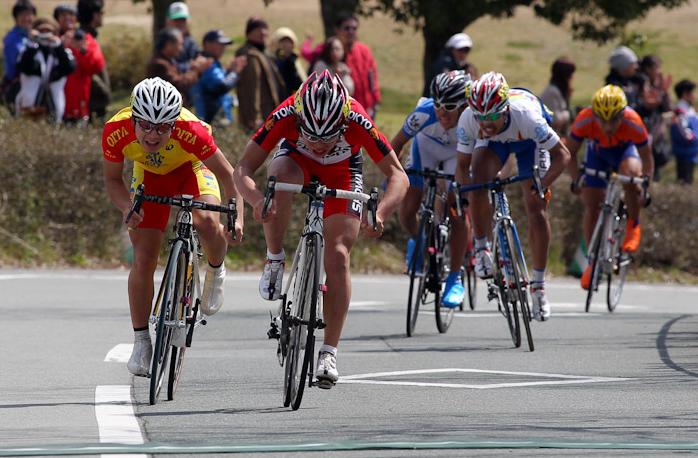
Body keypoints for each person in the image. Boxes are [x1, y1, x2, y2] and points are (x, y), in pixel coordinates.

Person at [233, 70, 408, 387]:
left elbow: (398, 175)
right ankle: (275, 258)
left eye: (328, 137)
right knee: (278, 186)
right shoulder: (286, 113)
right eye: (311, 136)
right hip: (295, 162)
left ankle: (328, 352)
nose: (319, 145)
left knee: (339, 256)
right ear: (299, 121)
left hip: (344, 172)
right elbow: (243, 168)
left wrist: (381, 212)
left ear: (343, 123)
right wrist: (257, 200)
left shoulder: (357, 119)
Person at [102, 77, 244, 376]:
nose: (154, 135)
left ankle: (216, 272)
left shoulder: (192, 131)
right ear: (134, 120)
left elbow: (230, 176)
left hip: (190, 170)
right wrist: (127, 207)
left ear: (175, 123)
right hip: (149, 176)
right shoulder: (116, 130)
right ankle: (142, 341)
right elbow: (113, 181)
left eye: (164, 127)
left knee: (206, 221)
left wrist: (237, 218)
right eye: (147, 126)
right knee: (143, 260)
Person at [456, 71, 570, 321]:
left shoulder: (528, 117)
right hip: (496, 144)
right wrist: (463, 196)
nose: (486, 123)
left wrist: (544, 185)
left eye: (493, 116)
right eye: (480, 117)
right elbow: (462, 166)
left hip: (529, 142)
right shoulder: (469, 119)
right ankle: (481, 248)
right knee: (478, 184)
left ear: (505, 109)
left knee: (537, 211)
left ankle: (538, 287)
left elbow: (563, 155)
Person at [391, 70, 472, 308]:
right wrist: (393, 177)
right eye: (437, 104)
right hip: (426, 147)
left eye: (449, 105)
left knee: (456, 209)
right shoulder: (423, 114)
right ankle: (420, 241)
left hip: (457, 154)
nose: (441, 111)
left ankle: (455, 280)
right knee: (406, 210)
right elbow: (395, 145)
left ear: (464, 104)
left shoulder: (472, 117)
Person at [565, 85, 653, 290]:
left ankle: (633, 223)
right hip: (598, 155)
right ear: (594, 115)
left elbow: (647, 159)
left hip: (625, 152)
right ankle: (592, 260)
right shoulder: (584, 119)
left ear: (622, 115)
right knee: (591, 206)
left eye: (613, 119)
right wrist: (576, 179)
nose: (607, 126)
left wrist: (645, 187)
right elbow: (569, 152)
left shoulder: (634, 122)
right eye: (602, 119)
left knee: (630, 176)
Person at [14, 16, 76, 122]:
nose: (45, 35)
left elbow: (69, 67)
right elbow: (23, 67)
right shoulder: (28, 51)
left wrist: (58, 47)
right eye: (41, 31)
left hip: (54, 107)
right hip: (29, 105)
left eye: (48, 32)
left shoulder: (61, 53)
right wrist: (32, 44)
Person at [235, 15, 286, 131]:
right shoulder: (249, 54)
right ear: (248, 33)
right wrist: (253, 116)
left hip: (269, 114)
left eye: (265, 28)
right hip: (260, 117)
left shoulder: (261, 53)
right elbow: (250, 87)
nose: (263, 32)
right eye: (258, 29)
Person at [57, 2, 105, 125]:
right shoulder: (53, 39)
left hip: (79, 107)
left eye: (71, 14)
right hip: (54, 105)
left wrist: (82, 50)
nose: (67, 17)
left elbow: (96, 66)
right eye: (63, 15)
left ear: (76, 18)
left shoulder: (86, 39)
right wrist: (58, 46)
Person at [189, 29, 246, 126]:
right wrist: (234, 72)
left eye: (224, 45)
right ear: (207, 44)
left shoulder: (213, 62)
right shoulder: (206, 63)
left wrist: (229, 72)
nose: (223, 48)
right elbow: (220, 86)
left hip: (215, 119)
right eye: (220, 44)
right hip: (209, 120)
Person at [333, 11, 381, 119]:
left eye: (354, 28)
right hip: (344, 113)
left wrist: (376, 100)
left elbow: (372, 76)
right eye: (347, 28)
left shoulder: (364, 50)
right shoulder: (332, 52)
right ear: (337, 30)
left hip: (367, 110)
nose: (351, 31)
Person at [146, 27, 212, 103]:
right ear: (169, 44)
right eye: (180, 44)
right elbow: (178, 84)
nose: (181, 48)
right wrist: (195, 69)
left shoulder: (167, 61)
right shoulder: (159, 64)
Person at [636, 54, 672, 180]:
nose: (659, 71)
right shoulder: (639, 84)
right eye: (657, 67)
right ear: (647, 68)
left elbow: (668, 108)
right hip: (641, 137)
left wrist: (663, 90)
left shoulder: (656, 88)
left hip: (655, 140)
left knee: (652, 173)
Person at [77, 0, 111, 124]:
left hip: (97, 101)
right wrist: (103, 89)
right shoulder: (82, 38)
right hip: (92, 102)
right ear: (94, 15)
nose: (103, 16)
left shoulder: (91, 35)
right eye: (101, 12)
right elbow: (86, 68)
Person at [0, 0, 36, 113]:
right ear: (15, 18)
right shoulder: (12, 38)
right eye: (22, 15)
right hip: (18, 85)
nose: (26, 18)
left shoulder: (33, 35)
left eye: (29, 14)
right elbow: (18, 64)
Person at [422, 32, 476, 97]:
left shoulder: (459, 65)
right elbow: (446, 87)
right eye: (460, 50)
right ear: (451, 49)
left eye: (466, 50)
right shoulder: (445, 63)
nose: (463, 53)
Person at [540, 57, 576, 138]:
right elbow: (554, 119)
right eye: (570, 74)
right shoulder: (551, 92)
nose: (572, 77)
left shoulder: (559, 91)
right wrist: (571, 114)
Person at [670, 79, 698, 184]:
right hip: (684, 152)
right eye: (693, 92)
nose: (694, 96)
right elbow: (683, 130)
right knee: (684, 181)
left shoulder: (689, 109)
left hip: (691, 152)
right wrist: (693, 138)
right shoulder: (680, 110)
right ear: (685, 93)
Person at [270, 27, 307, 95]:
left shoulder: (295, 60)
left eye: (289, 42)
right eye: (283, 41)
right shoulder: (273, 60)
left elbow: (301, 81)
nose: (286, 45)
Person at [165, 2, 199, 75]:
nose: (180, 24)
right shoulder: (163, 43)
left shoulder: (191, 43)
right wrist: (191, 66)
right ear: (167, 22)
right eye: (176, 20)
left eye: (183, 20)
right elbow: (170, 68)